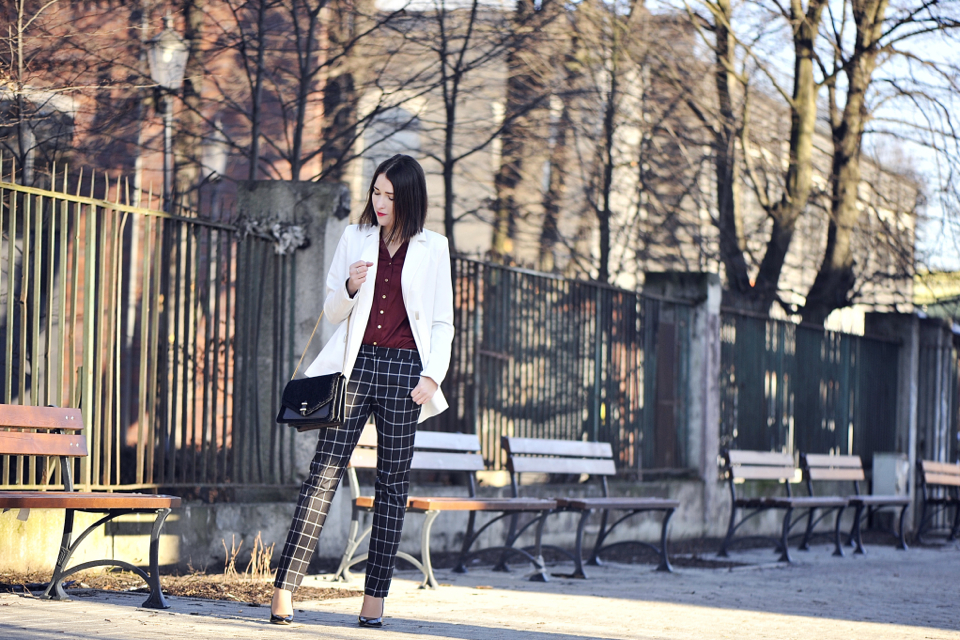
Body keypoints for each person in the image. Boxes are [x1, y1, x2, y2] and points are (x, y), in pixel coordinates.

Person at [269, 154, 454, 628]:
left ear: (409, 198)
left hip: (406, 373)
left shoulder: (434, 247)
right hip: (356, 367)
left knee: (391, 486)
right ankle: (285, 588)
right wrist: (350, 286)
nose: (381, 202)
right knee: (323, 473)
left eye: (390, 195)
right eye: (376, 192)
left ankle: (374, 600)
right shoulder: (355, 236)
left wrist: (432, 375)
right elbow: (331, 312)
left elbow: (442, 321)